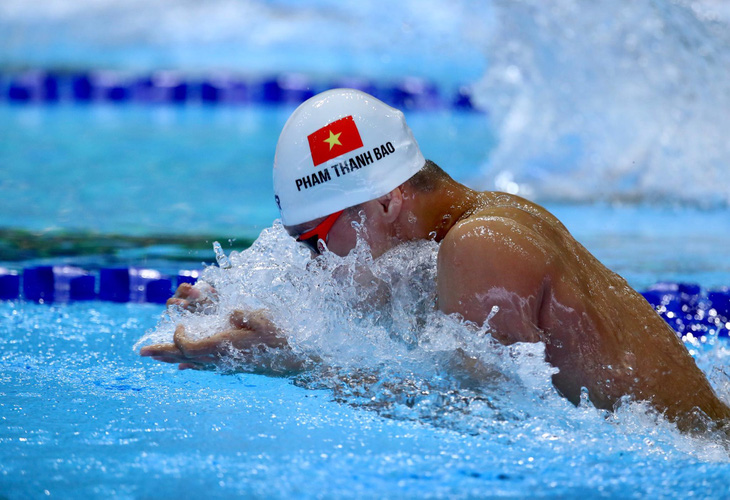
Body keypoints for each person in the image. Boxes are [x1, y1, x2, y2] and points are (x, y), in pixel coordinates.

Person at [141, 88, 730, 433]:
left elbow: (492, 418)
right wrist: (260, 308)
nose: (317, 264)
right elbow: (429, 343)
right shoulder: (476, 221)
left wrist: (291, 362)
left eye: (315, 241)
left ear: (386, 202)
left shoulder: (481, 248)